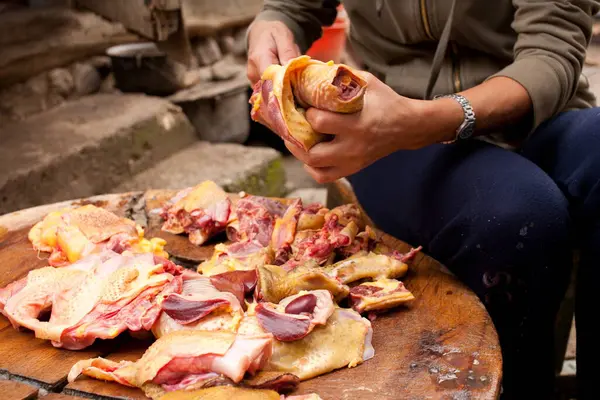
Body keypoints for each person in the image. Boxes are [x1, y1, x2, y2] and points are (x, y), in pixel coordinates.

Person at [246, 1, 600, 399]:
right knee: (515, 216)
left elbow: (551, 54)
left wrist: (430, 117)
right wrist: (268, 29)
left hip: (535, 111)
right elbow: (292, 8)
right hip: (383, 120)